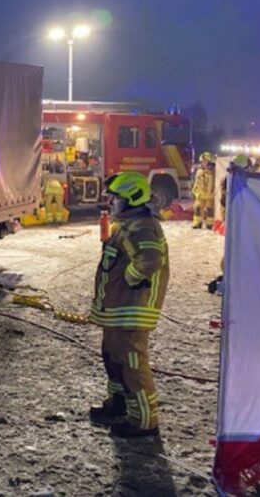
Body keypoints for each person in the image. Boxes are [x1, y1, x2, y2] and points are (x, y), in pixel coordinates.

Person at [89, 172, 169, 438]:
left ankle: (144, 422)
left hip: (131, 310)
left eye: (116, 197)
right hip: (118, 310)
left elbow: (150, 260)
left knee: (132, 363)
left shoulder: (143, 225)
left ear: (131, 198)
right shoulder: (128, 223)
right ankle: (119, 405)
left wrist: (129, 280)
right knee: (113, 359)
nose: (111, 201)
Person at [192, 151, 216, 229]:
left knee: (209, 209)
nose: (203, 163)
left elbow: (213, 183)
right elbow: (196, 182)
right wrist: (194, 190)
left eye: (205, 161)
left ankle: (209, 224)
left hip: (209, 193)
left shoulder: (212, 172)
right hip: (200, 193)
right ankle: (197, 223)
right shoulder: (199, 171)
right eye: (202, 161)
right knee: (198, 208)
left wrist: (212, 192)